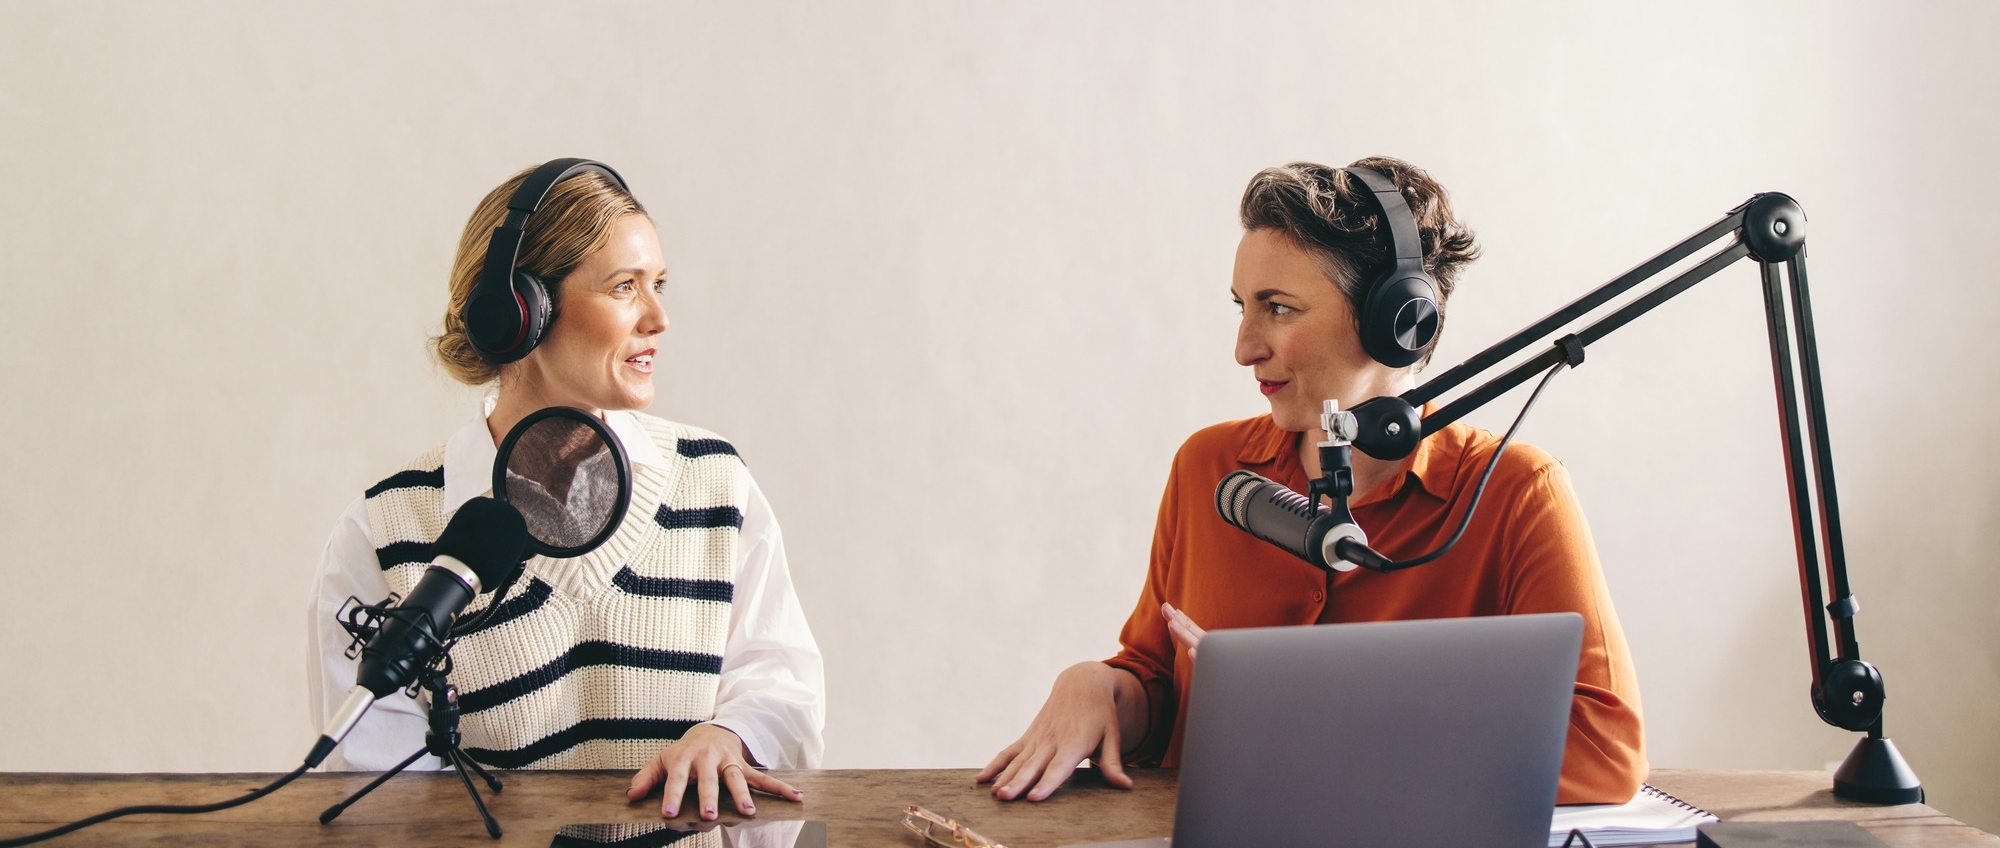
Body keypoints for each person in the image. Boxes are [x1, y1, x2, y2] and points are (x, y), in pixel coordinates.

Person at [979, 157, 1647, 805]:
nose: (1244, 347)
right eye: (1242, 306)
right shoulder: (1208, 468)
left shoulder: (1517, 493)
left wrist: (1309, 718)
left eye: (1278, 308)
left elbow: (1604, 750)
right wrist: (1099, 685)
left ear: (1395, 321)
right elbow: (1158, 687)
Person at [307, 161, 824, 822]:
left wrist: (733, 733)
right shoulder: (384, 535)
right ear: (517, 313)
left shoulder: (715, 484)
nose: (660, 317)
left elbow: (785, 685)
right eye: (624, 287)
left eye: (659, 285)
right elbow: (372, 799)